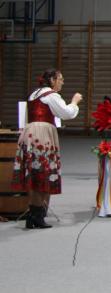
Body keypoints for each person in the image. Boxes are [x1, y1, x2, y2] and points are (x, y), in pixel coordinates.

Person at [12, 68, 82, 229]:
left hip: (30, 133)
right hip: (42, 135)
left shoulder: (34, 94)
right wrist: (74, 102)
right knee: (42, 173)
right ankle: (38, 216)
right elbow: (66, 113)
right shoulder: (51, 95)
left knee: (35, 174)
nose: (62, 82)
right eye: (60, 79)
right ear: (52, 80)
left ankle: (33, 215)